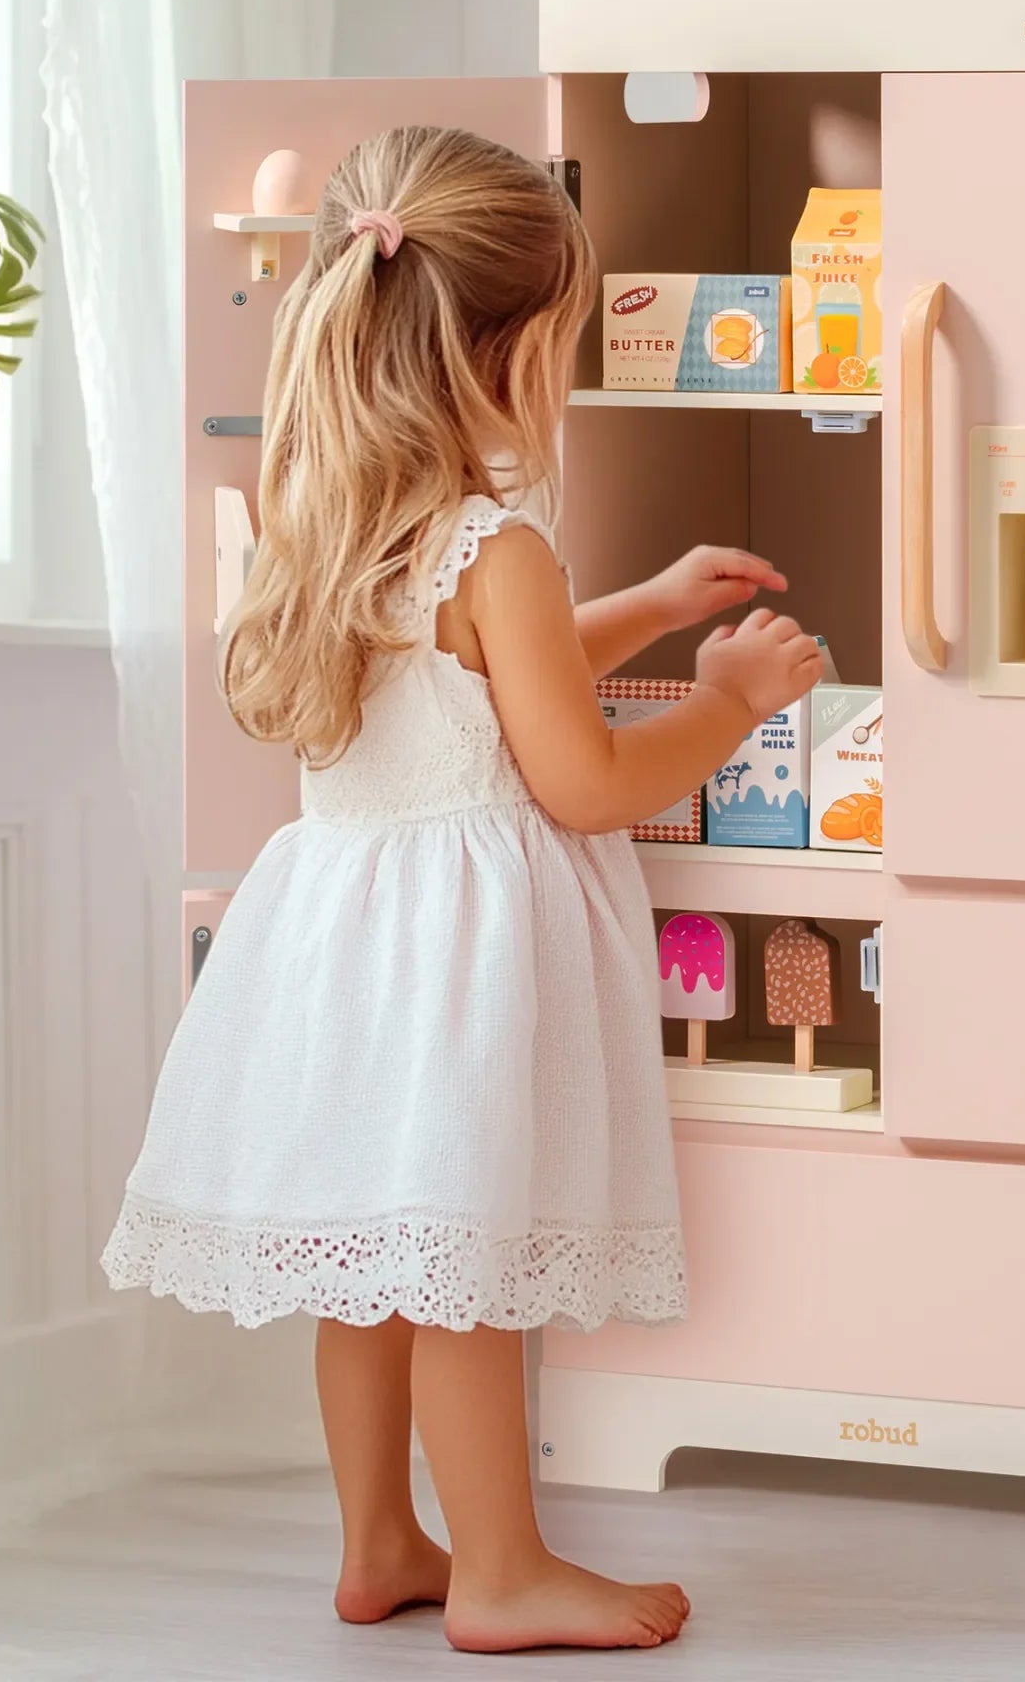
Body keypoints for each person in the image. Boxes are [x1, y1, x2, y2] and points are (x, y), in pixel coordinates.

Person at [102, 124, 823, 1653]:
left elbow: (483, 685)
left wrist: (642, 600)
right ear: (504, 354)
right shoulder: (500, 540)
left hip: (336, 948)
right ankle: (503, 1571)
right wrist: (733, 698)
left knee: (369, 1269)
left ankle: (382, 1544)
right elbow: (585, 780)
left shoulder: (327, 521)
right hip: (458, 966)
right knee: (467, 1279)